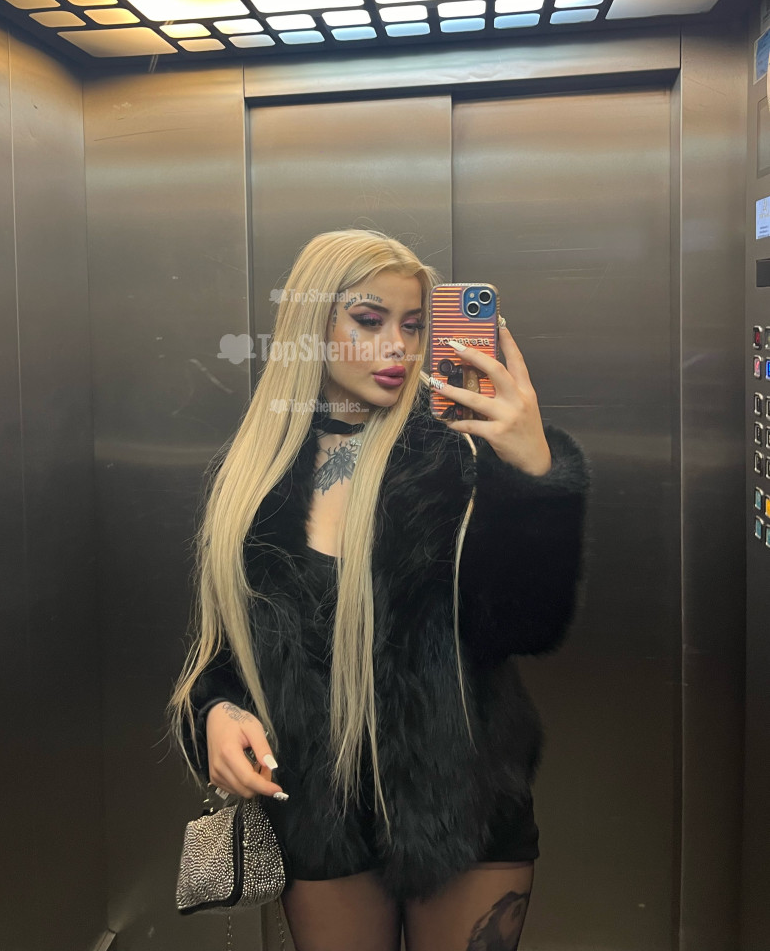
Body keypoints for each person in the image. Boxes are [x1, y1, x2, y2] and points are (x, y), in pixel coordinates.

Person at [166, 229, 592, 951]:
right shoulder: (253, 479)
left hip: (464, 809)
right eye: (369, 321)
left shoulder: (459, 454)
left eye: (415, 325)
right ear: (311, 326)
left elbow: (529, 626)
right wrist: (216, 712)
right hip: (318, 810)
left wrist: (531, 477)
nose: (398, 346)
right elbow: (226, 651)